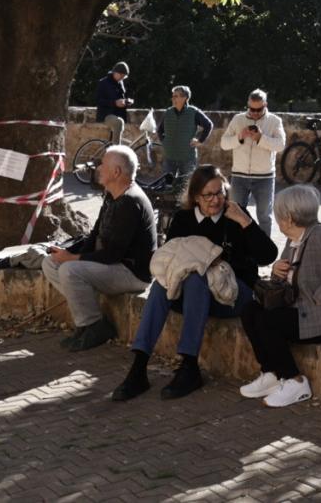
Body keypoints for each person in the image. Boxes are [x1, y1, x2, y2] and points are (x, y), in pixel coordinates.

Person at [112, 165, 276, 401]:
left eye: (220, 193)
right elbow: (170, 263)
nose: (215, 200)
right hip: (192, 297)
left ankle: (189, 366)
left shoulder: (235, 216)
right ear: (196, 197)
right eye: (208, 195)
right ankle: (138, 367)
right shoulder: (183, 219)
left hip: (232, 295)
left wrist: (244, 222)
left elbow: (268, 255)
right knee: (162, 284)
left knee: (197, 278)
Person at [236, 184, 321, 408]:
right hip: (301, 310)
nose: (278, 219)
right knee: (249, 310)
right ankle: (272, 374)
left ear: (289, 218)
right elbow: (283, 281)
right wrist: (276, 271)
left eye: (279, 215)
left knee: (268, 322)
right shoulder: (294, 238)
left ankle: (296, 381)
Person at [42, 144, 156, 350]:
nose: (98, 168)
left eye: (103, 164)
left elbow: (113, 254)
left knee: (69, 270)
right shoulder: (112, 194)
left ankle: (94, 325)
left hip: (131, 273)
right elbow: (95, 234)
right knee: (50, 264)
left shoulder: (131, 202)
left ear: (116, 172)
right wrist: (68, 253)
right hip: (110, 265)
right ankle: (87, 319)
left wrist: (72, 260)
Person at [223, 90, 286, 235]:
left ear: (265, 105)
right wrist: (239, 137)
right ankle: (236, 248)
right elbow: (224, 144)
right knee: (235, 215)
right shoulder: (238, 119)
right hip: (239, 176)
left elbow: (280, 146)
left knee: (264, 217)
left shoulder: (275, 121)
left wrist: (260, 138)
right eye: (252, 109)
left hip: (264, 177)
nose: (255, 113)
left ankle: (264, 253)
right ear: (248, 105)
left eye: (259, 109)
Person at [155, 86, 212, 187]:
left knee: (187, 188)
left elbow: (208, 125)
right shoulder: (168, 112)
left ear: (185, 98)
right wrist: (165, 142)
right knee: (166, 187)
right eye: (173, 96)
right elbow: (160, 130)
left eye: (176, 96)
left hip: (187, 158)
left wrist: (200, 140)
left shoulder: (193, 112)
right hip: (169, 157)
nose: (173, 99)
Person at [93, 63, 131, 145]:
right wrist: (114, 103)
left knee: (124, 139)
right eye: (121, 75)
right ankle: (116, 151)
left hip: (117, 113)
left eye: (124, 76)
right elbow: (98, 101)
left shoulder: (120, 83)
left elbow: (120, 98)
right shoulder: (103, 83)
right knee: (119, 122)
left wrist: (126, 102)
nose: (122, 78)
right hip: (106, 114)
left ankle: (114, 148)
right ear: (115, 72)